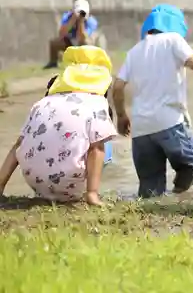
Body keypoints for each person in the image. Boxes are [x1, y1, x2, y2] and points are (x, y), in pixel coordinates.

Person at [113, 4, 193, 198]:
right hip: (169, 122)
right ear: (175, 25)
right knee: (191, 161)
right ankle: (179, 192)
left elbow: (118, 87)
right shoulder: (173, 40)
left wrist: (121, 116)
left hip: (141, 129)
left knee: (150, 189)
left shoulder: (134, 51)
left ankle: (150, 215)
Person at [0, 46, 117, 205]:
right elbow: (96, 149)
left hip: (35, 181)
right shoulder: (97, 103)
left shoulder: (42, 103)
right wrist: (92, 193)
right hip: (69, 183)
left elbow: (18, 146)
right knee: (102, 141)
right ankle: (90, 192)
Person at [45, 0, 99, 69]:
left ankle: (87, 62)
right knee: (54, 43)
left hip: (84, 45)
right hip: (70, 42)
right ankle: (53, 63)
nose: (80, 14)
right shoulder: (67, 17)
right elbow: (61, 34)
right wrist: (72, 20)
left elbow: (83, 39)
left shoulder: (91, 21)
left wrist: (81, 22)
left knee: (86, 42)